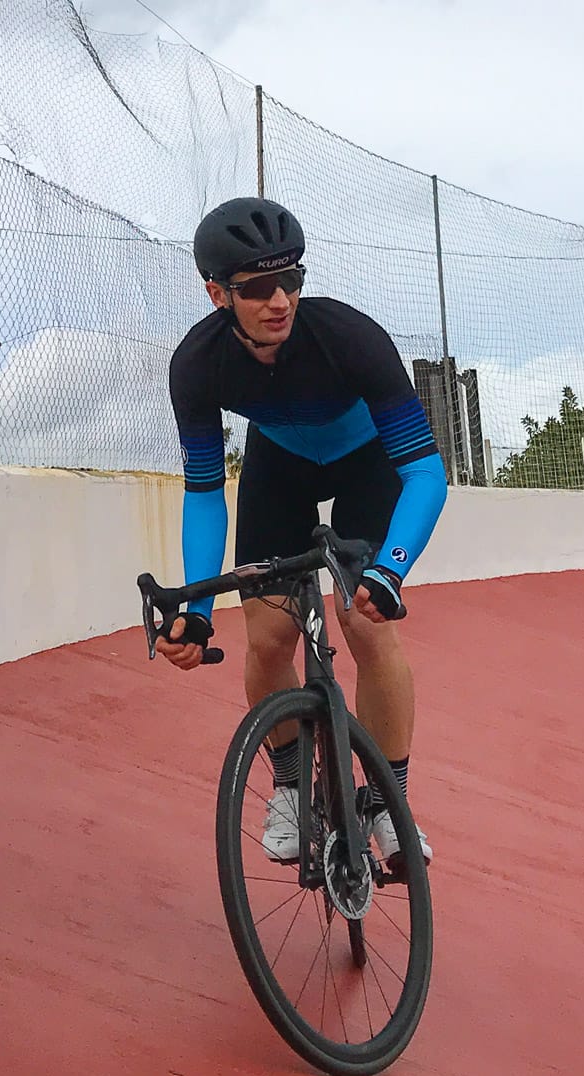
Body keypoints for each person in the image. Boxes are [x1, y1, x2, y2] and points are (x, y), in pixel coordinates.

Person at [155, 196, 448, 874]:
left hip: (367, 463)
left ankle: (388, 802)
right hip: (278, 469)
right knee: (268, 637)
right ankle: (290, 785)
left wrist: (390, 570)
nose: (281, 299)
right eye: (258, 287)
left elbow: (426, 474)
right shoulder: (197, 366)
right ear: (217, 294)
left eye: (293, 279)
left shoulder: (350, 338)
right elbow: (204, 491)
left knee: (369, 624)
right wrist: (197, 612)